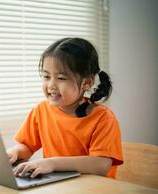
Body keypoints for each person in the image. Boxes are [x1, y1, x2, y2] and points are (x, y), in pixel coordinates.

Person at [7, 37, 123, 179]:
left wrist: (52, 163)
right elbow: (27, 147)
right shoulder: (41, 110)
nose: (51, 85)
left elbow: (100, 165)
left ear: (86, 82)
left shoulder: (103, 118)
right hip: (58, 188)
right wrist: (15, 152)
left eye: (61, 78)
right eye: (46, 76)